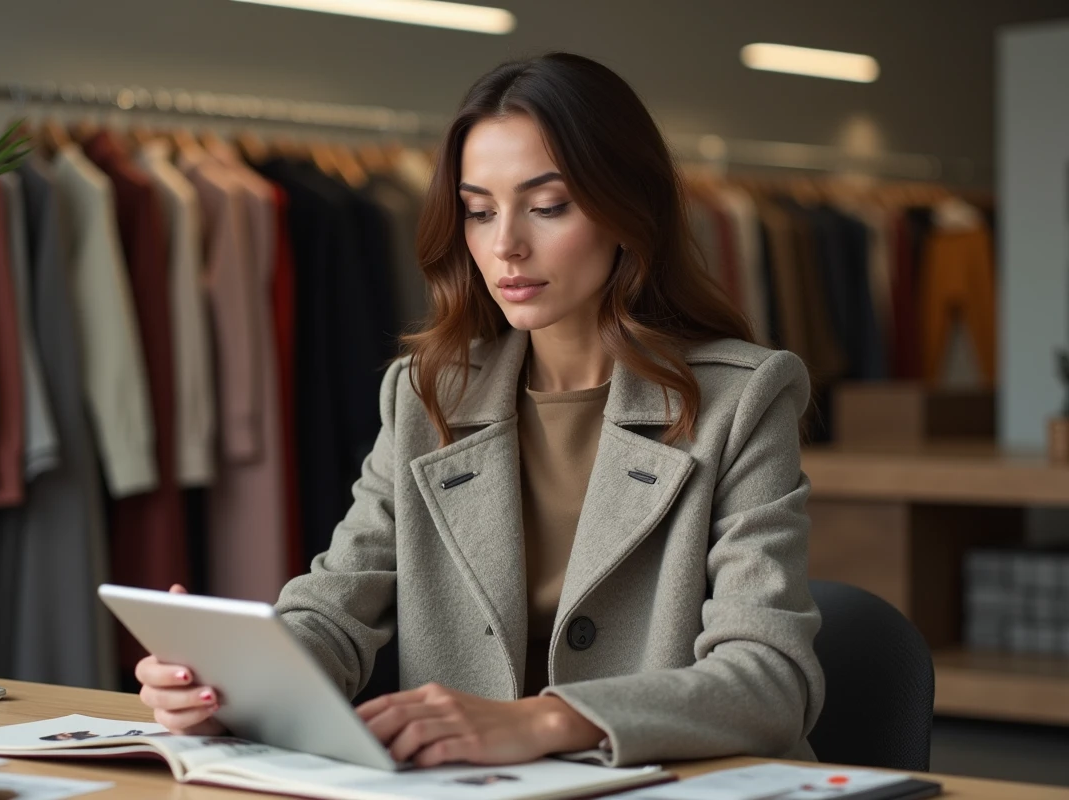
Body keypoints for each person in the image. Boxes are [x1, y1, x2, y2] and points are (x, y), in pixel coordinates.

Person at [136, 52, 824, 768]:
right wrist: (226, 685)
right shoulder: (427, 393)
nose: (506, 246)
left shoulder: (742, 397)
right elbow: (334, 611)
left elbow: (770, 680)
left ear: (629, 210)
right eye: (478, 211)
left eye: (548, 206)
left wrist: (549, 721)